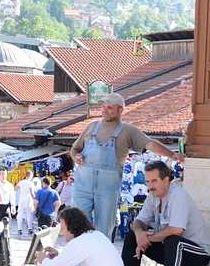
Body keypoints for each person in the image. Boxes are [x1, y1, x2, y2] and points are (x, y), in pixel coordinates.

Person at [69, 92, 177, 242]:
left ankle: (99, 263)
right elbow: (74, 149)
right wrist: (77, 157)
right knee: (76, 228)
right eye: (103, 106)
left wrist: (173, 155)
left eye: (110, 107)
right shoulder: (91, 126)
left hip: (107, 190)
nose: (105, 110)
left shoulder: (128, 130)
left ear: (120, 110)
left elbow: (149, 144)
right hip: (82, 187)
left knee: (103, 233)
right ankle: (77, 263)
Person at [122, 159, 210, 266]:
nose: (150, 186)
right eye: (148, 181)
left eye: (154, 181)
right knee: (131, 236)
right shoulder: (153, 196)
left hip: (197, 252)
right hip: (170, 252)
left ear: (166, 180)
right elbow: (139, 221)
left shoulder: (178, 195)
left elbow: (176, 230)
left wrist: (146, 238)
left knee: (173, 240)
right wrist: (139, 235)